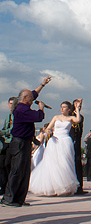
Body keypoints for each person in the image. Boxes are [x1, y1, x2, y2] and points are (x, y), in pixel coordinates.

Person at [1, 77, 52, 208]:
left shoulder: (23, 105)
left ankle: (18, 199)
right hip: (19, 143)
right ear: (25, 99)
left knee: (24, 172)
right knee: (17, 170)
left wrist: (43, 84)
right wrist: (41, 108)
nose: (32, 100)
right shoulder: (22, 110)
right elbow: (38, 117)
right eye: (30, 98)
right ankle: (8, 198)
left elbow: (33, 94)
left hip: (25, 142)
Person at [29, 100, 82, 196]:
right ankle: (52, 187)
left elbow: (78, 120)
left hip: (65, 140)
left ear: (69, 109)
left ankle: (65, 187)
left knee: (65, 162)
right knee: (52, 163)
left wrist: (77, 109)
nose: (62, 108)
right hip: (54, 140)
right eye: (61, 106)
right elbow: (48, 128)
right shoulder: (56, 117)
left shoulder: (71, 118)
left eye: (64, 107)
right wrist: (47, 131)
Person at [0, 97, 17, 195]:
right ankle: (3, 185)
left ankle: (8, 187)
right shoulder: (8, 116)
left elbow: (12, 130)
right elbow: (5, 127)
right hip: (5, 142)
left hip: (12, 142)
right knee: (2, 164)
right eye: (10, 103)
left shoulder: (16, 116)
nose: (11, 106)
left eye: (13, 104)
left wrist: (2, 132)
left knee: (7, 164)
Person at [69, 99, 86, 195]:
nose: (79, 106)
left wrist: (77, 111)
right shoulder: (69, 117)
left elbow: (79, 120)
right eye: (78, 104)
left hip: (77, 142)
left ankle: (79, 187)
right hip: (70, 141)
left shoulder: (80, 117)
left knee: (77, 163)